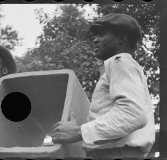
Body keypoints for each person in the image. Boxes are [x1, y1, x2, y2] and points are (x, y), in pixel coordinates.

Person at [51, 13, 155, 157]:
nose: (95, 40)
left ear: (122, 39)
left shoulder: (120, 62)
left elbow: (133, 113)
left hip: (115, 154)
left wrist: (79, 131)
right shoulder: (123, 66)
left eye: (101, 34)